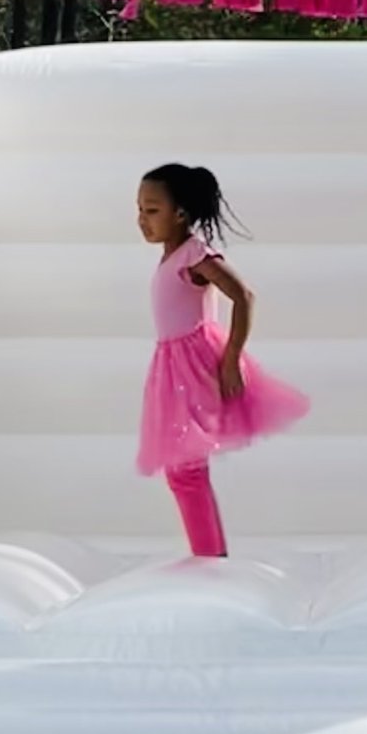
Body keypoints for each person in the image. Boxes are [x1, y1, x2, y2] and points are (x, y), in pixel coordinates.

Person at [134, 162, 309, 557]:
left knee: (186, 470)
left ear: (181, 213)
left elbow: (243, 296)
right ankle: (210, 556)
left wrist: (231, 359)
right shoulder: (175, 255)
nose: (142, 219)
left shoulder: (193, 255)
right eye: (140, 210)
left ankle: (211, 559)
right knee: (182, 471)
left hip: (191, 366)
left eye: (152, 210)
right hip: (172, 365)